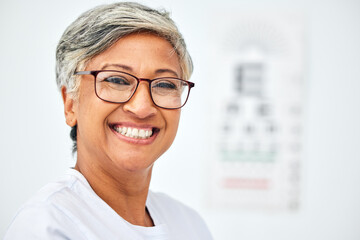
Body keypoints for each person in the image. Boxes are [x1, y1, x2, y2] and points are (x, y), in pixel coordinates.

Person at [4, 2, 212, 239]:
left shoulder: (188, 224)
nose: (142, 107)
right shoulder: (46, 224)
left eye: (165, 84)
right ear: (70, 103)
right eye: (117, 80)